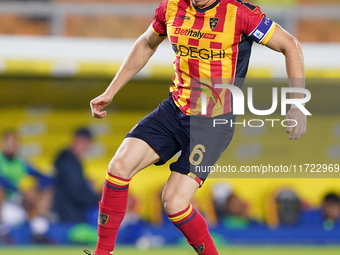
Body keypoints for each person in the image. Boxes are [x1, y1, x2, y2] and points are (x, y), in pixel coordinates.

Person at [88, 0, 306, 254]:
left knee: (174, 203)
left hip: (213, 123)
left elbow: (290, 45)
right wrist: (111, 91)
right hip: (174, 109)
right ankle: (103, 253)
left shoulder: (240, 13)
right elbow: (147, 43)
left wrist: (298, 104)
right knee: (118, 167)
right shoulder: (171, 7)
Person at [0, 130, 53, 244]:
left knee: (45, 189)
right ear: (3, 143)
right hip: (4, 203)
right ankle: (2, 232)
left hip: (17, 202)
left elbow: (44, 176)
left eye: (16, 142)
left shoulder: (20, 163)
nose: (13, 145)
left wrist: (35, 188)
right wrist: (18, 190)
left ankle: (39, 230)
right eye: (11, 141)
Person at [52, 128, 100, 223]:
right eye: (84, 142)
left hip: (70, 212)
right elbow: (75, 192)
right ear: (75, 140)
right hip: (70, 215)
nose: (86, 147)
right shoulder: (68, 162)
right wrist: (97, 198)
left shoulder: (70, 161)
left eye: (87, 143)